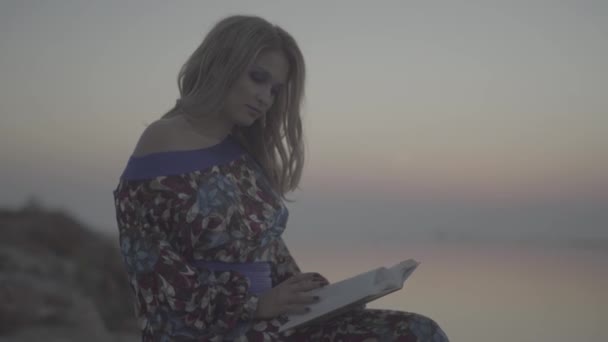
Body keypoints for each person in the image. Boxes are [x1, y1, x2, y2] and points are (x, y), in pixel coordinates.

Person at [113, 15, 449, 341]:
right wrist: (255, 305)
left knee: (419, 331)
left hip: (273, 321)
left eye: (275, 90)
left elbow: (267, 249)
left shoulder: (242, 154)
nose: (265, 98)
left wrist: (319, 296)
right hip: (209, 330)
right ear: (221, 62)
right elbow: (153, 273)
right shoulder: (164, 139)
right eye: (257, 78)